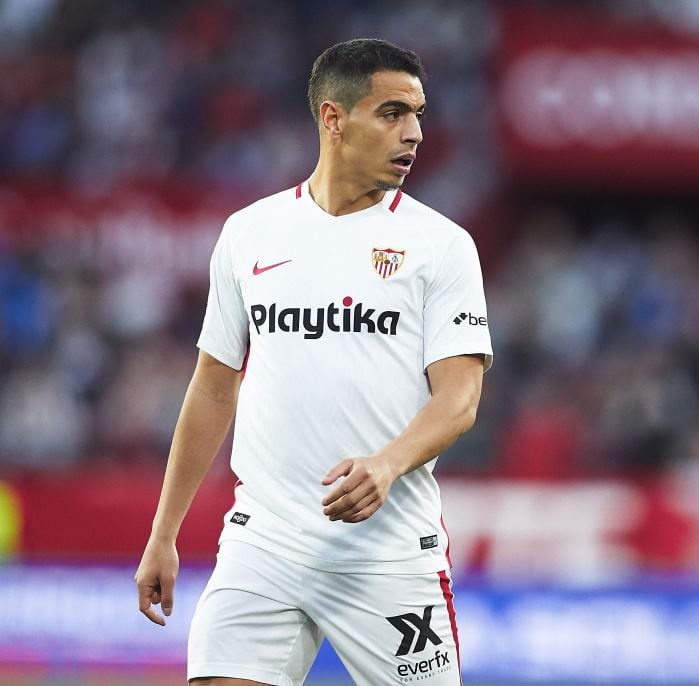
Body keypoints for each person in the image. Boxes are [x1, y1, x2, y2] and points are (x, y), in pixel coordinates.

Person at [134, 38, 492, 686]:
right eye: (391, 113)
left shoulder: (442, 246)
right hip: (264, 543)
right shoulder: (250, 233)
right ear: (333, 118)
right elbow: (214, 387)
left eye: (418, 113)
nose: (413, 132)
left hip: (386, 553)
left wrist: (386, 465)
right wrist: (166, 532)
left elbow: (460, 399)